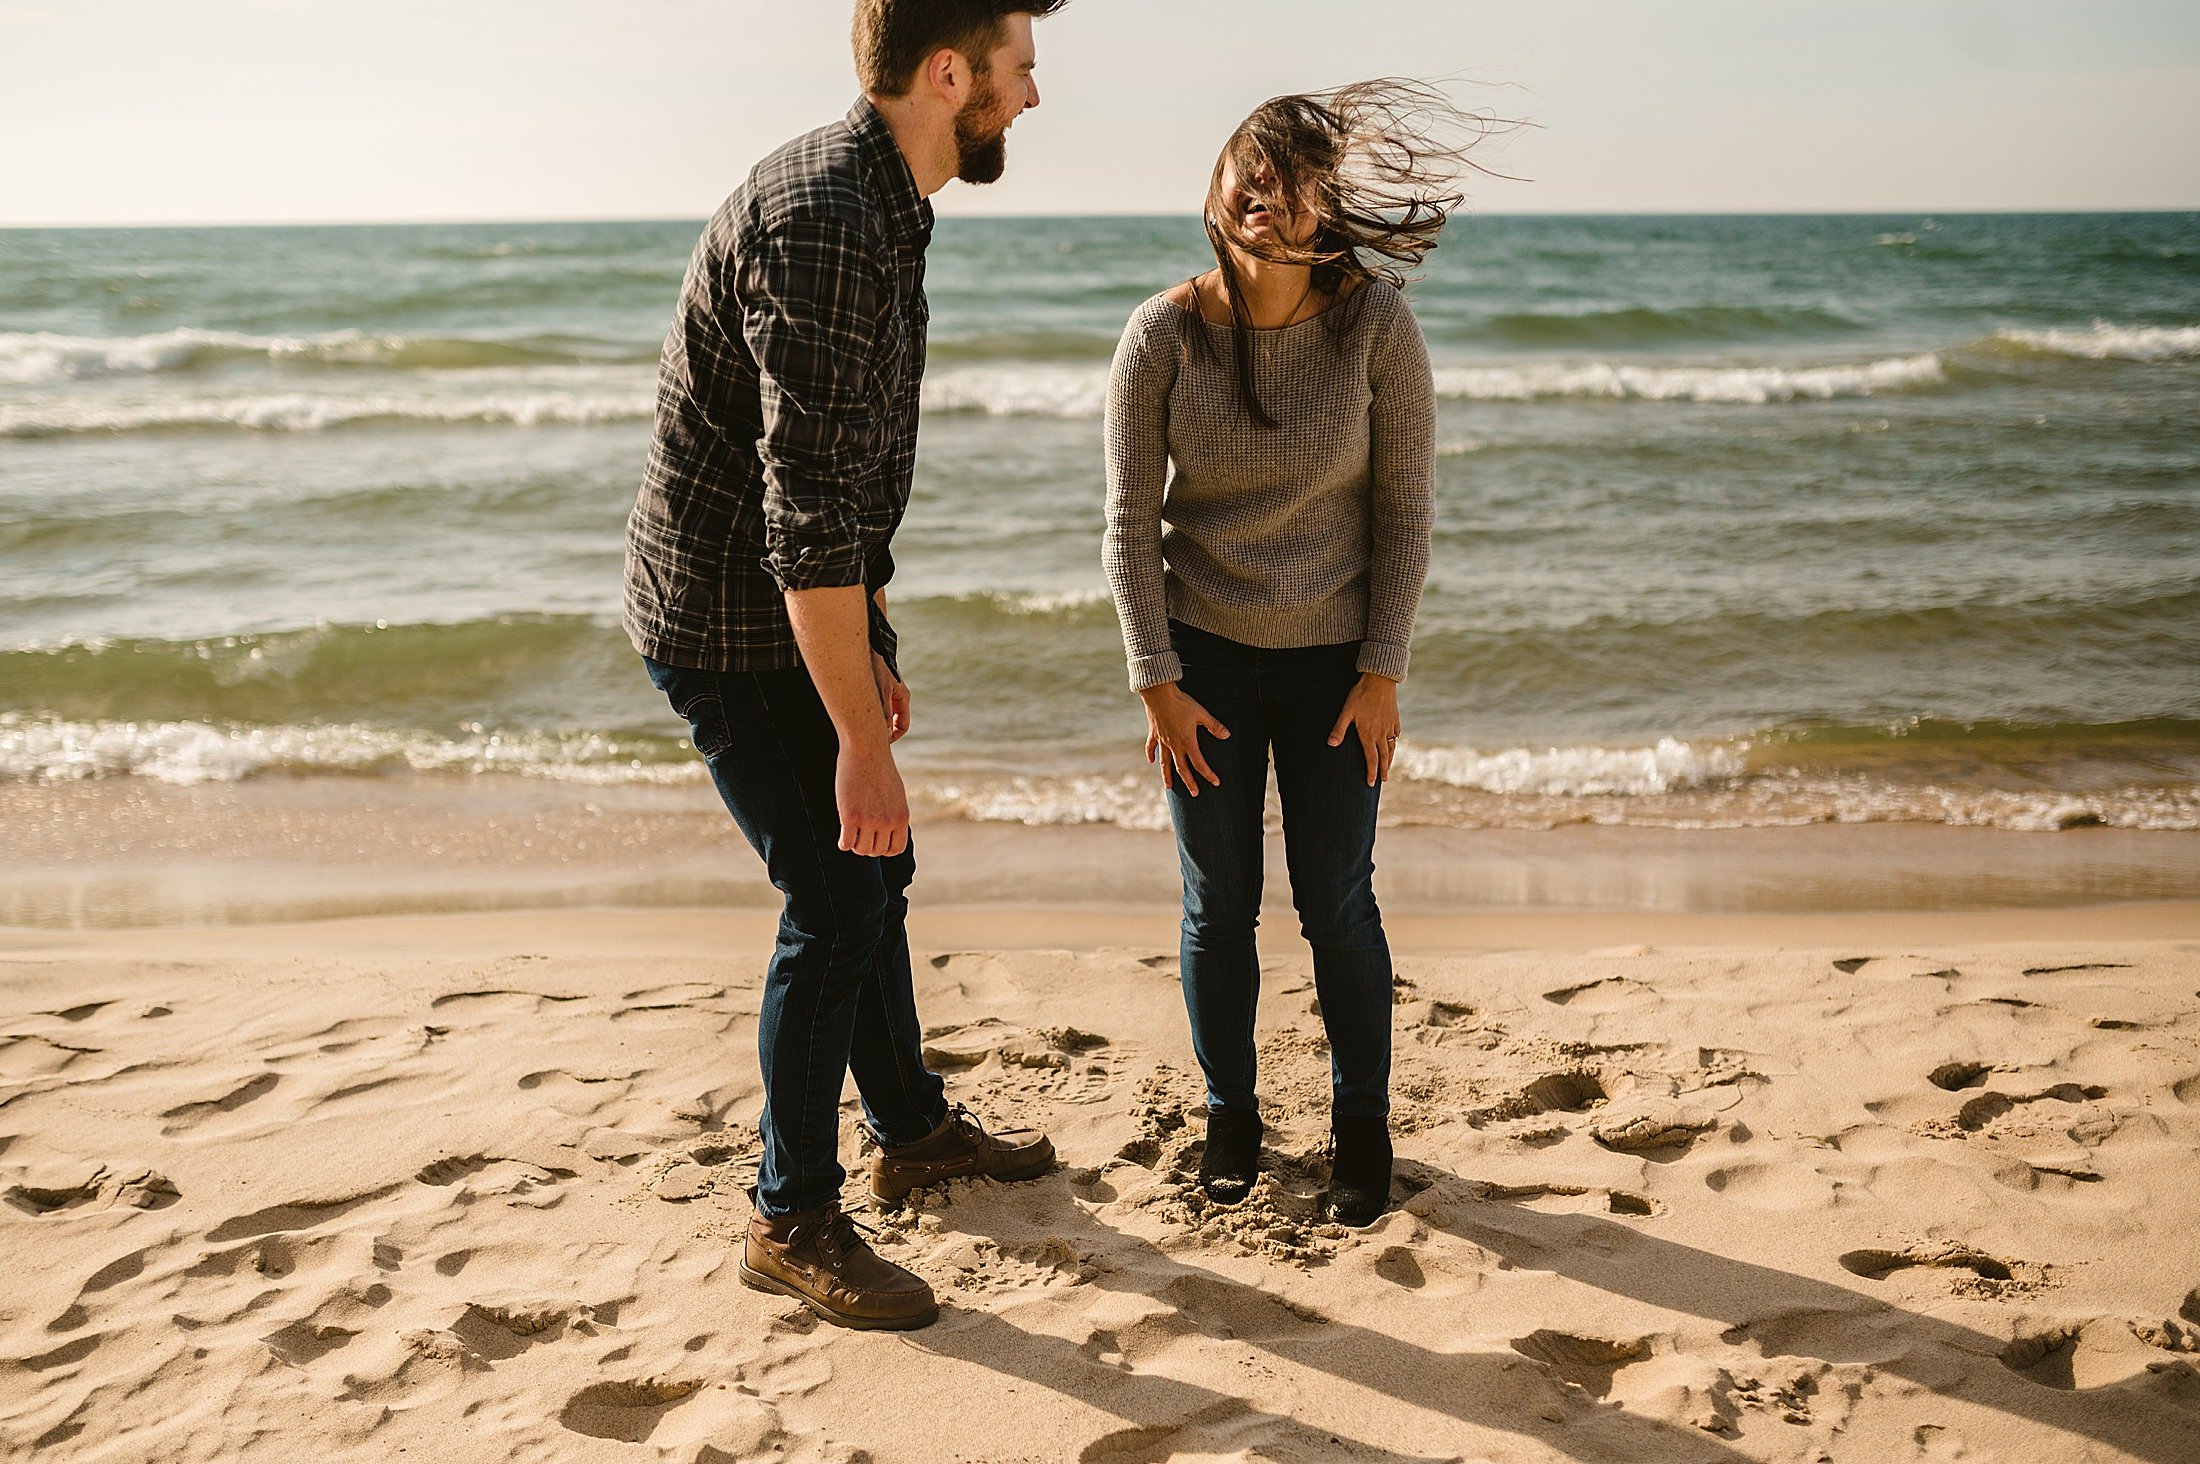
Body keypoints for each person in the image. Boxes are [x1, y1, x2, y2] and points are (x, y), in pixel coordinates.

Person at [623, 0, 1068, 1331]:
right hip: (726, 622)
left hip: (790, 603)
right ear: (951, 73)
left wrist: (869, 645)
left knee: (878, 873)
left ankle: (911, 1126)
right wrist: (861, 740)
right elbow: (803, 516)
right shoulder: (824, 221)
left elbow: (841, 484)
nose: (1033, 99)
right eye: (1020, 69)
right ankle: (792, 1216)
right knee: (836, 888)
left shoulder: (881, 201)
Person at [1103, 82, 1466, 1227]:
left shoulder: (1376, 328)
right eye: (1248, 175)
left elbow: (1403, 514)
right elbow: (1125, 523)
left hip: (1332, 675)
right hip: (1201, 667)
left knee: (1337, 904)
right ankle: (1232, 1122)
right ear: (1217, 189)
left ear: (1326, 202)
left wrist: (1380, 674)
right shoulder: (1162, 334)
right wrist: (1153, 681)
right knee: (1217, 906)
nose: (1266, 198)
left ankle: (1362, 1127)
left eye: (1293, 179)